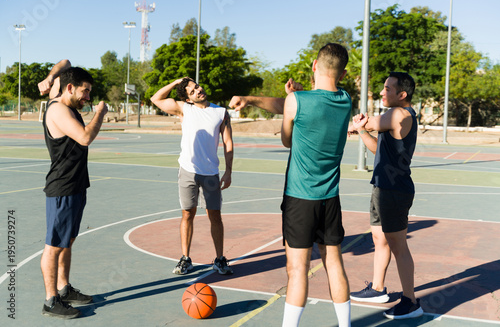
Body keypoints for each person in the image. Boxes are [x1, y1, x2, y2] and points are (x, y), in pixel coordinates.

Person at [229, 43, 352, 327]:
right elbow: (312, 100)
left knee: (297, 269)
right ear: (343, 74)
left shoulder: (298, 101)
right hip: (330, 198)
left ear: (313, 65)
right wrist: (287, 96)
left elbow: (287, 138)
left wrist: (287, 99)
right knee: (334, 263)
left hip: (300, 197)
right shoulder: (345, 100)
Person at [349, 72, 424, 319]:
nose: (382, 92)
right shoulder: (393, 118)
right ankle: (378, 289)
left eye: (387, 89)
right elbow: (376, 149)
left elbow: (369, 122)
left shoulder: (399, 114)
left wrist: (358, 123)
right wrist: (361, 131)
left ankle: (411, 301)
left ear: (402, 95)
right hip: (383, 186)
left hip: (394, 190)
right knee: (379, 238)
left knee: (398, 246)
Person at [37, 60, 108, 319]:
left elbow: (65, 62)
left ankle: (64, 288)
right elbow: (86, 137)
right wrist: (100, 112)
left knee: (67, 241)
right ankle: (50, 301)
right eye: (85, 91)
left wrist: (49, 77)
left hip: (76, 185)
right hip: (62, 187)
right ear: (69, 88)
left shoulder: (61, 94)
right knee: (54, 245)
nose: (88, 97)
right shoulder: (57, 110)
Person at [151, 77, 234, 275]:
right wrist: (176, 82)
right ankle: (185, 259)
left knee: (215, 215)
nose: (198, 90)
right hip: (188, 170)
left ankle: (220, 259)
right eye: (192, 90)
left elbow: (228, 143)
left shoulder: (221, 113)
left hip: (211, 173)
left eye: (197, 86)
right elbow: (156, 99)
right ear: (188, 99)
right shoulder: (184, 109)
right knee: (187, 213)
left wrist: (229, 171)